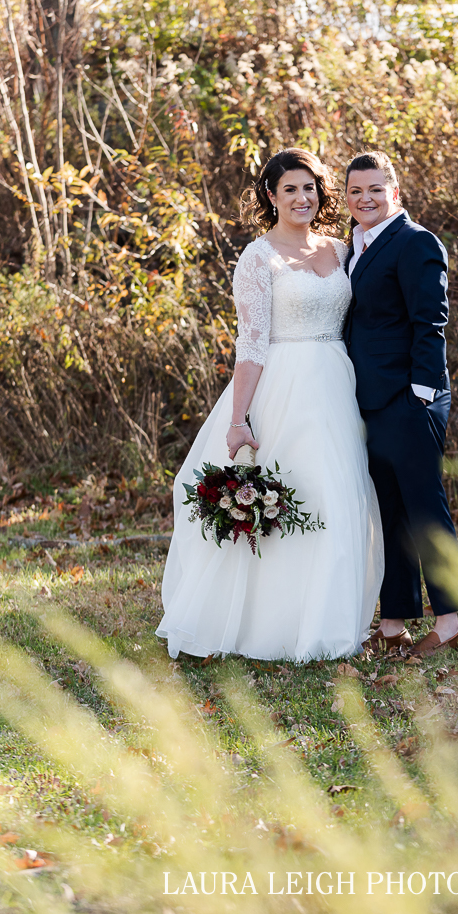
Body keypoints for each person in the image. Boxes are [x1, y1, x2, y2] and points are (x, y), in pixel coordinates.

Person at [156, 147, 383, 662]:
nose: (302, 198)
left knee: (337, 497)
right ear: (271, 196)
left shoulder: (342, 249)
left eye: (309, 188)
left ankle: (327, 624)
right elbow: (252, 344)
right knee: (292, 494)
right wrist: (238, 420)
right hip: (285, 387)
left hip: (338, 385)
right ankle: (270, 626)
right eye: (290, 189)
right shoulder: (258, 258)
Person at [343, 151, 458, 657]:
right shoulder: (353, 246)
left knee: (424, 508)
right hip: (369, 400)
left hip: (410, 398)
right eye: (355, 191)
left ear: (394, 192)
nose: (365, 199)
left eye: (375, 189)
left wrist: (421, 394)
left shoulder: (416, 241)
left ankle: (450, 622)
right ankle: (393, 624)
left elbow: (431, 321)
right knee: (389, 512)